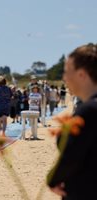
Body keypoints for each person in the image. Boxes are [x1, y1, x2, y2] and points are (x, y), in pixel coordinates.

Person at [47, 43, 97, 199]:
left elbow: (71, 156)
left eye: (67, 72)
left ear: (82, 74)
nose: (64, 78)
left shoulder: (88, 111)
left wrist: (52, 180)